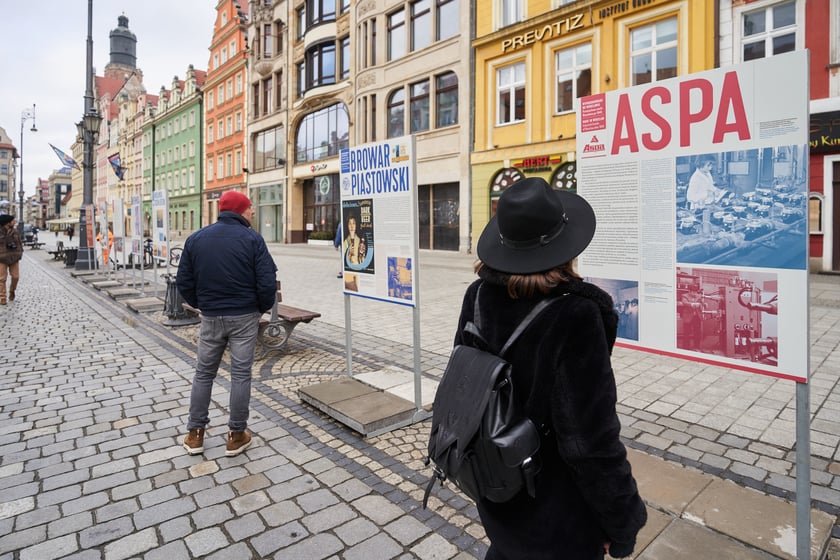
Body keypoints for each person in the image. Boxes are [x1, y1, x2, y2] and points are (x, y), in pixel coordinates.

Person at [461, 177, 647, 559]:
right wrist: (623, 521)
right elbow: (590, 442)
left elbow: (468, 390)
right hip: (556, 512)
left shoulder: (477, 295)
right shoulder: (576, 314)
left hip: (496, 484)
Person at [176, 191, 278, 457]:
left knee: (203, 373)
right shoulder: (253, 239)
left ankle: (195, 434)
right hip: (244, 316)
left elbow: (183, 280)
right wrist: (259, 308)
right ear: (241, 210)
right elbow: (267, 282)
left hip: (211, 316)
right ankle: (235, 435)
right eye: (250, 208)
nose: (253, 211)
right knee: (241, 375)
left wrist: (202, 304)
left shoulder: (196, 239)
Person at [0, 215, 24, 305]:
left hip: (14, 257)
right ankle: (2, 297)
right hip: (1, 258)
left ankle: (12, 290)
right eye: (12, 221)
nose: (14, 222)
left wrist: (20, 253)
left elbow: (20, 244)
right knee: (2, 279)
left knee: (15, 277)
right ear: (7, 223)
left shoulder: (15, 232)